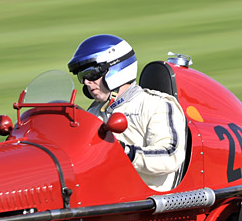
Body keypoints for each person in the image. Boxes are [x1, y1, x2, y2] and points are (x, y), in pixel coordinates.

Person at [67, 34, 187, 192]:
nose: (87, 82)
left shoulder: (156, 104)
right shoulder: (94, 111)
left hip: (147, 202)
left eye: (91, 74)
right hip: (105, 195)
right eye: (82, 77)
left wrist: (125, 153)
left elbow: (170, 156)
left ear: (116, 68)